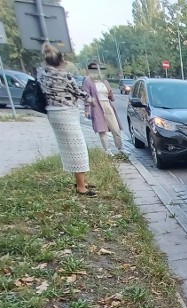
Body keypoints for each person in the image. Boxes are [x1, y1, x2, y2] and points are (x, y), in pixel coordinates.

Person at [37, 44, 96, 197]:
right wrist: (91, 100)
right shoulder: (64, 76)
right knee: (78, 148)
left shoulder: (41, 74)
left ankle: (81, 181)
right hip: (66, 113)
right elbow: (77, 92)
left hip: (53, 113)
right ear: (61, 60)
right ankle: (81, 186)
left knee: (68, 148)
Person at [82, 63, 123, 155]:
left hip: (107, 105)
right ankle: (107, 150)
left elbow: (111, 96)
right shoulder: (88, 81)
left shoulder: (104, 81)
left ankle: (120, 148)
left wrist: (111, 94)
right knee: (102, 130)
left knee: (115, 128)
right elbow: (86, 96)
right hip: (96, 107)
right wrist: (87, 110)